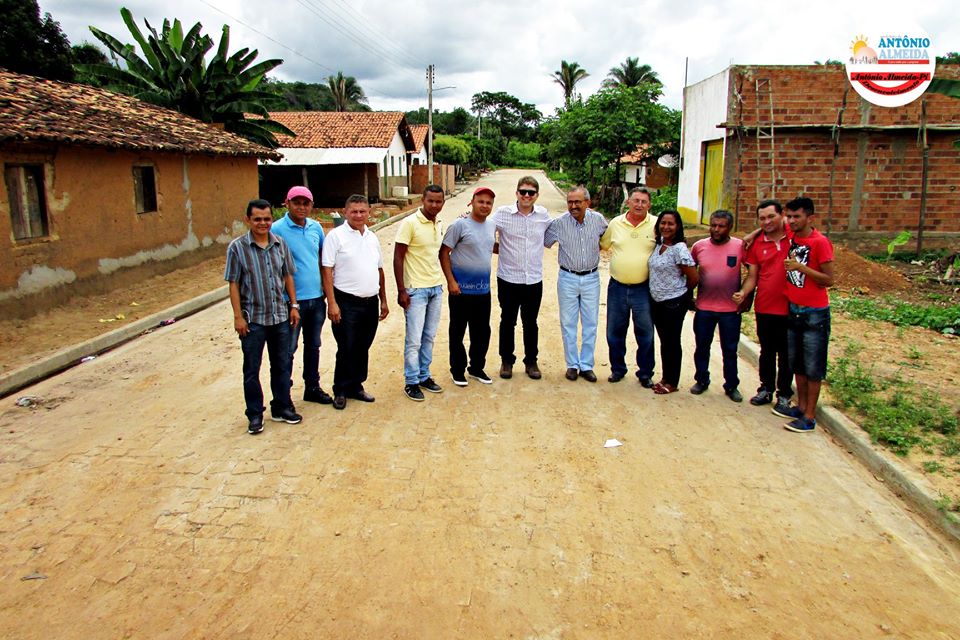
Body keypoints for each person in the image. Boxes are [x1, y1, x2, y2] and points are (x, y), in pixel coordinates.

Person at [224, 199, 302, 434]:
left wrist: (294, 305)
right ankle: (255, 414)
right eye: (257, 219)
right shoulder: (237, 248)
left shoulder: (280, 244)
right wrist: (238, 317)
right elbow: (234, 284)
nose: (262, 223)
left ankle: (281, 407)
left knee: (282, 365)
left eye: (267, 219)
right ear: (248, 220)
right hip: (253, 320)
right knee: (251, 369)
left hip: (280, 317)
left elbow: (287, 276)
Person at [321, 195, 389, 410]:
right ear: (345, 212)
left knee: (363, 345)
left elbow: (379, 270)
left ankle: (356, 385)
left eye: (362, 211)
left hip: (370, 302)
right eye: (354, 211)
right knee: (347, 346)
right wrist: (332, 303)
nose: (358, 215)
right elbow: (326, 270)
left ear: (369, 212)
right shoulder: (336, 236)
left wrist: (383, 300)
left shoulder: (371, 237)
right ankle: (341, 389)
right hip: (346, 301)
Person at [270, 186, 333, 405]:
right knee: (287, 349)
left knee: (313, 345)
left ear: (312, 205)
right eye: (296, 203)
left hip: (316, 299)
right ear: (287, 203)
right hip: (291, 303)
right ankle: (283, 396)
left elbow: (323, 260)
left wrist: (326, 292)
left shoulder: (316, 228)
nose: (301, 207)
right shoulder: (276, 229)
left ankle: (312, 387)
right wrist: (288, 301)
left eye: (306, 203)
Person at [778, 197, 834, 433]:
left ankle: (810, 416)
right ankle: (800, 407)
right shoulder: (792, 236)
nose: (791, 221)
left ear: (810, 218)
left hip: (814, 313)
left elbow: (829, 279)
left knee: (813, 367)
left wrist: (801, 268)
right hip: (794, 309)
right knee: (797, 364)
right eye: (789, 216)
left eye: (796, 216)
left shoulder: (820, 243)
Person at [733, 200, 794, 414]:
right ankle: (766, 388)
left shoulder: (793, 236)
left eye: (771, 217)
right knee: (767, 351)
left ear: (782, 215)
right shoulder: (757, 244)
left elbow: (792, 222)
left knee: (786, 354)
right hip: (765, 306)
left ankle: (784, 394)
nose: (767, 222)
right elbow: (753, 276)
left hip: (791, 307)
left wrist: (755, 231)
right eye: (762, 218)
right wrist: (744, 292)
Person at [544, 186, 608, 382]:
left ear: (587, 203)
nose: (573, 206)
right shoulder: (559, 223)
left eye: (578, 202)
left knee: (590, 323)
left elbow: (606, 240)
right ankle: (572, 364)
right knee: (568, 323)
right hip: (567, 278)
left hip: (591, 278)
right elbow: (544, 241)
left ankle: (586, 365)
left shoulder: (598, 220)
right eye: (570, 202)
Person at [492, 176, 552, 380]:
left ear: (537, 195)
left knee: (531, 322)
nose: (527, 195)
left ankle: (531, 361)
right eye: (523, 191)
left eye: (531, 192)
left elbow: (554, 234)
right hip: (508, 279)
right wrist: (500, 249)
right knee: (507, 321)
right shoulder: (502, 214)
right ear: (516, 193)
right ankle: (506, 361)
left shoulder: (543, 215)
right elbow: (484, 230)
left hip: (533, 280)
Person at [600, 187, 658, 386]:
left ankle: (645, 373)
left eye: (643, 201)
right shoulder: (616, 223)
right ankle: (618, 369)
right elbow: (603, 245)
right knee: (614, 331)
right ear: (628, 202)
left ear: (649, 205)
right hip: (617, 287)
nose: (639, 204)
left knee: (645, 333)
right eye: (636, 200)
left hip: (644, 289)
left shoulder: (656, 224)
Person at [440, 187, 497, 386]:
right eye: (480, 201)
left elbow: (488, 247)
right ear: (472, 202)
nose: (484, 205)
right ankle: (457, 370)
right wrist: (451, 281)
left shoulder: (491, 225)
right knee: (457, 332)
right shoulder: (459, 225)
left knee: (482, 332)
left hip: (483, 290)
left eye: (488, 203)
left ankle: (476, 368)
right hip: (460, 290)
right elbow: (443, 253)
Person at [394, 184, 445, 401]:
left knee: (429, 336)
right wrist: (402, 290)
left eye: (438, 201)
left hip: (436, 287)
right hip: (415, 289)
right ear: (422, 200)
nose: (434, 205)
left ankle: (424, 376)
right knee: (414, 340)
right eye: (430, 200)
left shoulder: (439, 223)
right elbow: (398, 257)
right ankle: (412, 381)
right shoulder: (410, 223)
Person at [690, 210, 745, 402]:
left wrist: (746, 295)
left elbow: (753, 272)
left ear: (730, 227)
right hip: (704, 308)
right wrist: (689, 296)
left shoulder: (740, 246)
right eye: (713, 225)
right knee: (701, 347)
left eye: (721, 226)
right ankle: (701, 380)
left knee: (729, 350)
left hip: (730, 310)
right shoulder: (698, 247)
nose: (716, 229)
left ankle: (731, 385)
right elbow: (689, 272)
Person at [647, 210, 698, 394]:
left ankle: (672, 382)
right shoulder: (659, 244)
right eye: (663, 223)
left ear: (678, 227)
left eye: (670, 224)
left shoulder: (679, 249)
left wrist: (683, 295)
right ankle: (665, 377)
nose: (666, 227)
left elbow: (693, 277)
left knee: (672, 342)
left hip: (674, 303)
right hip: (657, 302)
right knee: (664, 341)